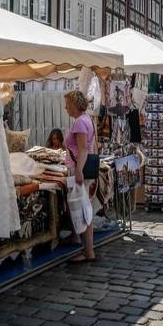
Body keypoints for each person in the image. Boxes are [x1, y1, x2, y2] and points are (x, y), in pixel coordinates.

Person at [63, 89, 96, 264]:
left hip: (78, 168)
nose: (65, 108)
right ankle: (79, 239)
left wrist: (78, 171)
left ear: (75, 105)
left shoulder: (80, 123)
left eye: (67, 104)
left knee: (83, 210)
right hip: (79, 167)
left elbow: (83, 149)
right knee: (82, 207)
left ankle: (89, 250)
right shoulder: (86, 119)